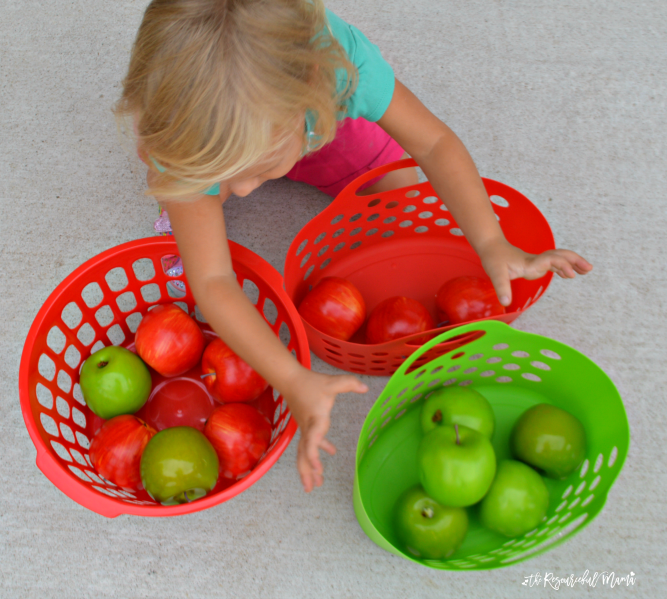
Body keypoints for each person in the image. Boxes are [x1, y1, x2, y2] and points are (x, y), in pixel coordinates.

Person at [114, 0, 592, 493]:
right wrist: (293, 379)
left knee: (402, 195)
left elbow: (433, 145)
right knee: (191, 206)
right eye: (224, 178)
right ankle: (200, 184)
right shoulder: (183, 126)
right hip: (231, 130)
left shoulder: (345, 71)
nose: (240, 191)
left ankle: (275, 158)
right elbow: (213, 282)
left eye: (253, 172)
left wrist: (492, 241)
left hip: (321, 129)